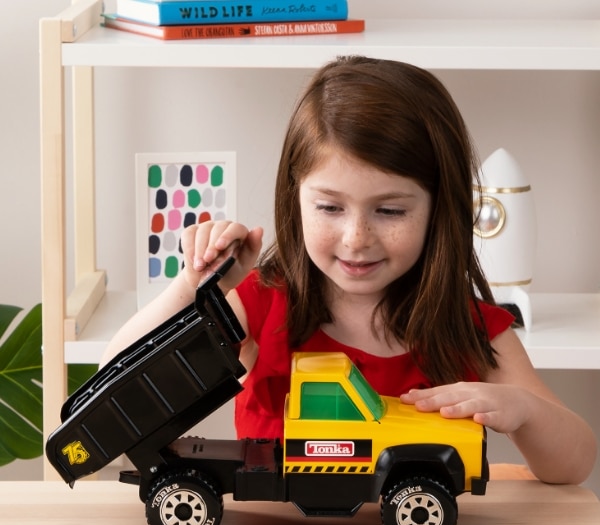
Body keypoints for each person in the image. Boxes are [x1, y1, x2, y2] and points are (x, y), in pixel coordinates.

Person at [101, 55, 596, 485]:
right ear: (295, 199)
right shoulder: (262, 304)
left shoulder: (468, 328)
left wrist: (525, 412)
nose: (356, 238)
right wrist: (192, 289)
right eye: (330, 208)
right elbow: (111, 381)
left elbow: (573, 465)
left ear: (438, 210)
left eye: (390, 211)